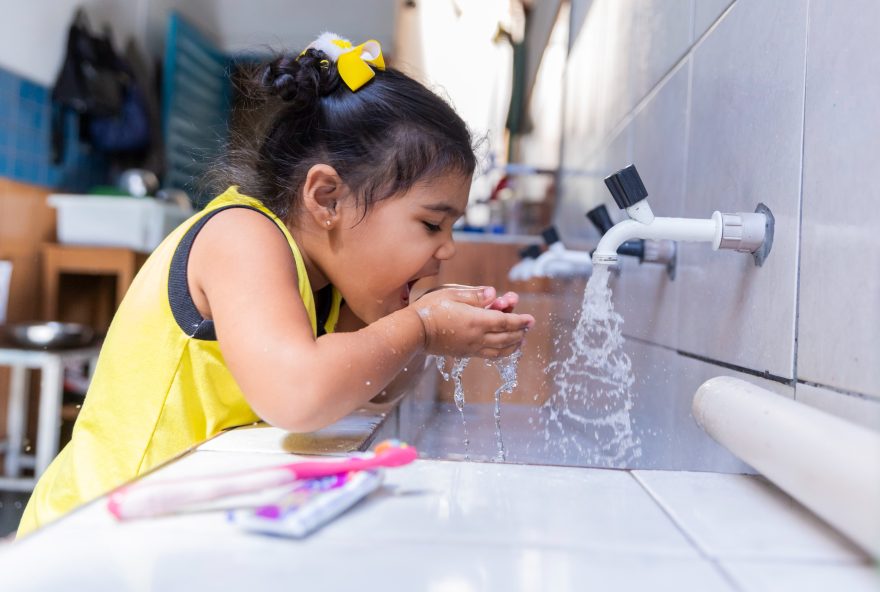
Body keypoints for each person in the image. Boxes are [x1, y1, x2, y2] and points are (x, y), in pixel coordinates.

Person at [18, 33, 534, 535]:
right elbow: (299, 396)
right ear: (327, 197)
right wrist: (419, 327)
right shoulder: (243, 237)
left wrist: (429, 321)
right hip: (92, 527)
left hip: (167, 522)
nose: (446, 249)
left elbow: (367, 393)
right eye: (430, 224)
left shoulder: (327, 281)